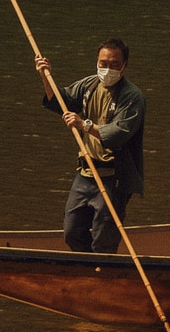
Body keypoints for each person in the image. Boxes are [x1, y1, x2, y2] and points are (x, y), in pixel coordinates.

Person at [35, 39, 145, 254]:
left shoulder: (132, 96)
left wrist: (83, 124)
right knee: (72, 231)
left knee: (103, 239)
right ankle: (87, 269)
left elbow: (118, 133)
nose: (107, 69)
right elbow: (61, 101)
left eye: (114, 64)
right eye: (103, 64)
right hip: (86, 173)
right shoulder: (89, 85)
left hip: (114, 177)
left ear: (124, 66)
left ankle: (103, 272)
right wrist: (45, 76)